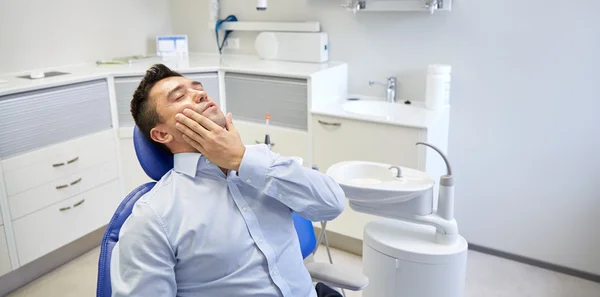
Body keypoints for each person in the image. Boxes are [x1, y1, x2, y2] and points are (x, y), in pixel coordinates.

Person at [110, 64, 347, 297]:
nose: (200, 93)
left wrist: (242, 159)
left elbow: (332, 204)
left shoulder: (262, 162)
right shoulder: (153, 217)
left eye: (198, 88)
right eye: (180, 96)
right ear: (162, 134)